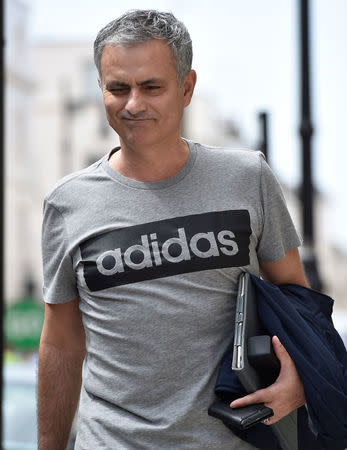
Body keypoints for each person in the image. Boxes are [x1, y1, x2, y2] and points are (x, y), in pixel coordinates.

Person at [38, 9, 308, 450]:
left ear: (186, 88)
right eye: (117, 88)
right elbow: (62, 343)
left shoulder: (247, 177)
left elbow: (299, 302)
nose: (133, 104)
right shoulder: (66, 203)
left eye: (151, 87)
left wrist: (298, 382)